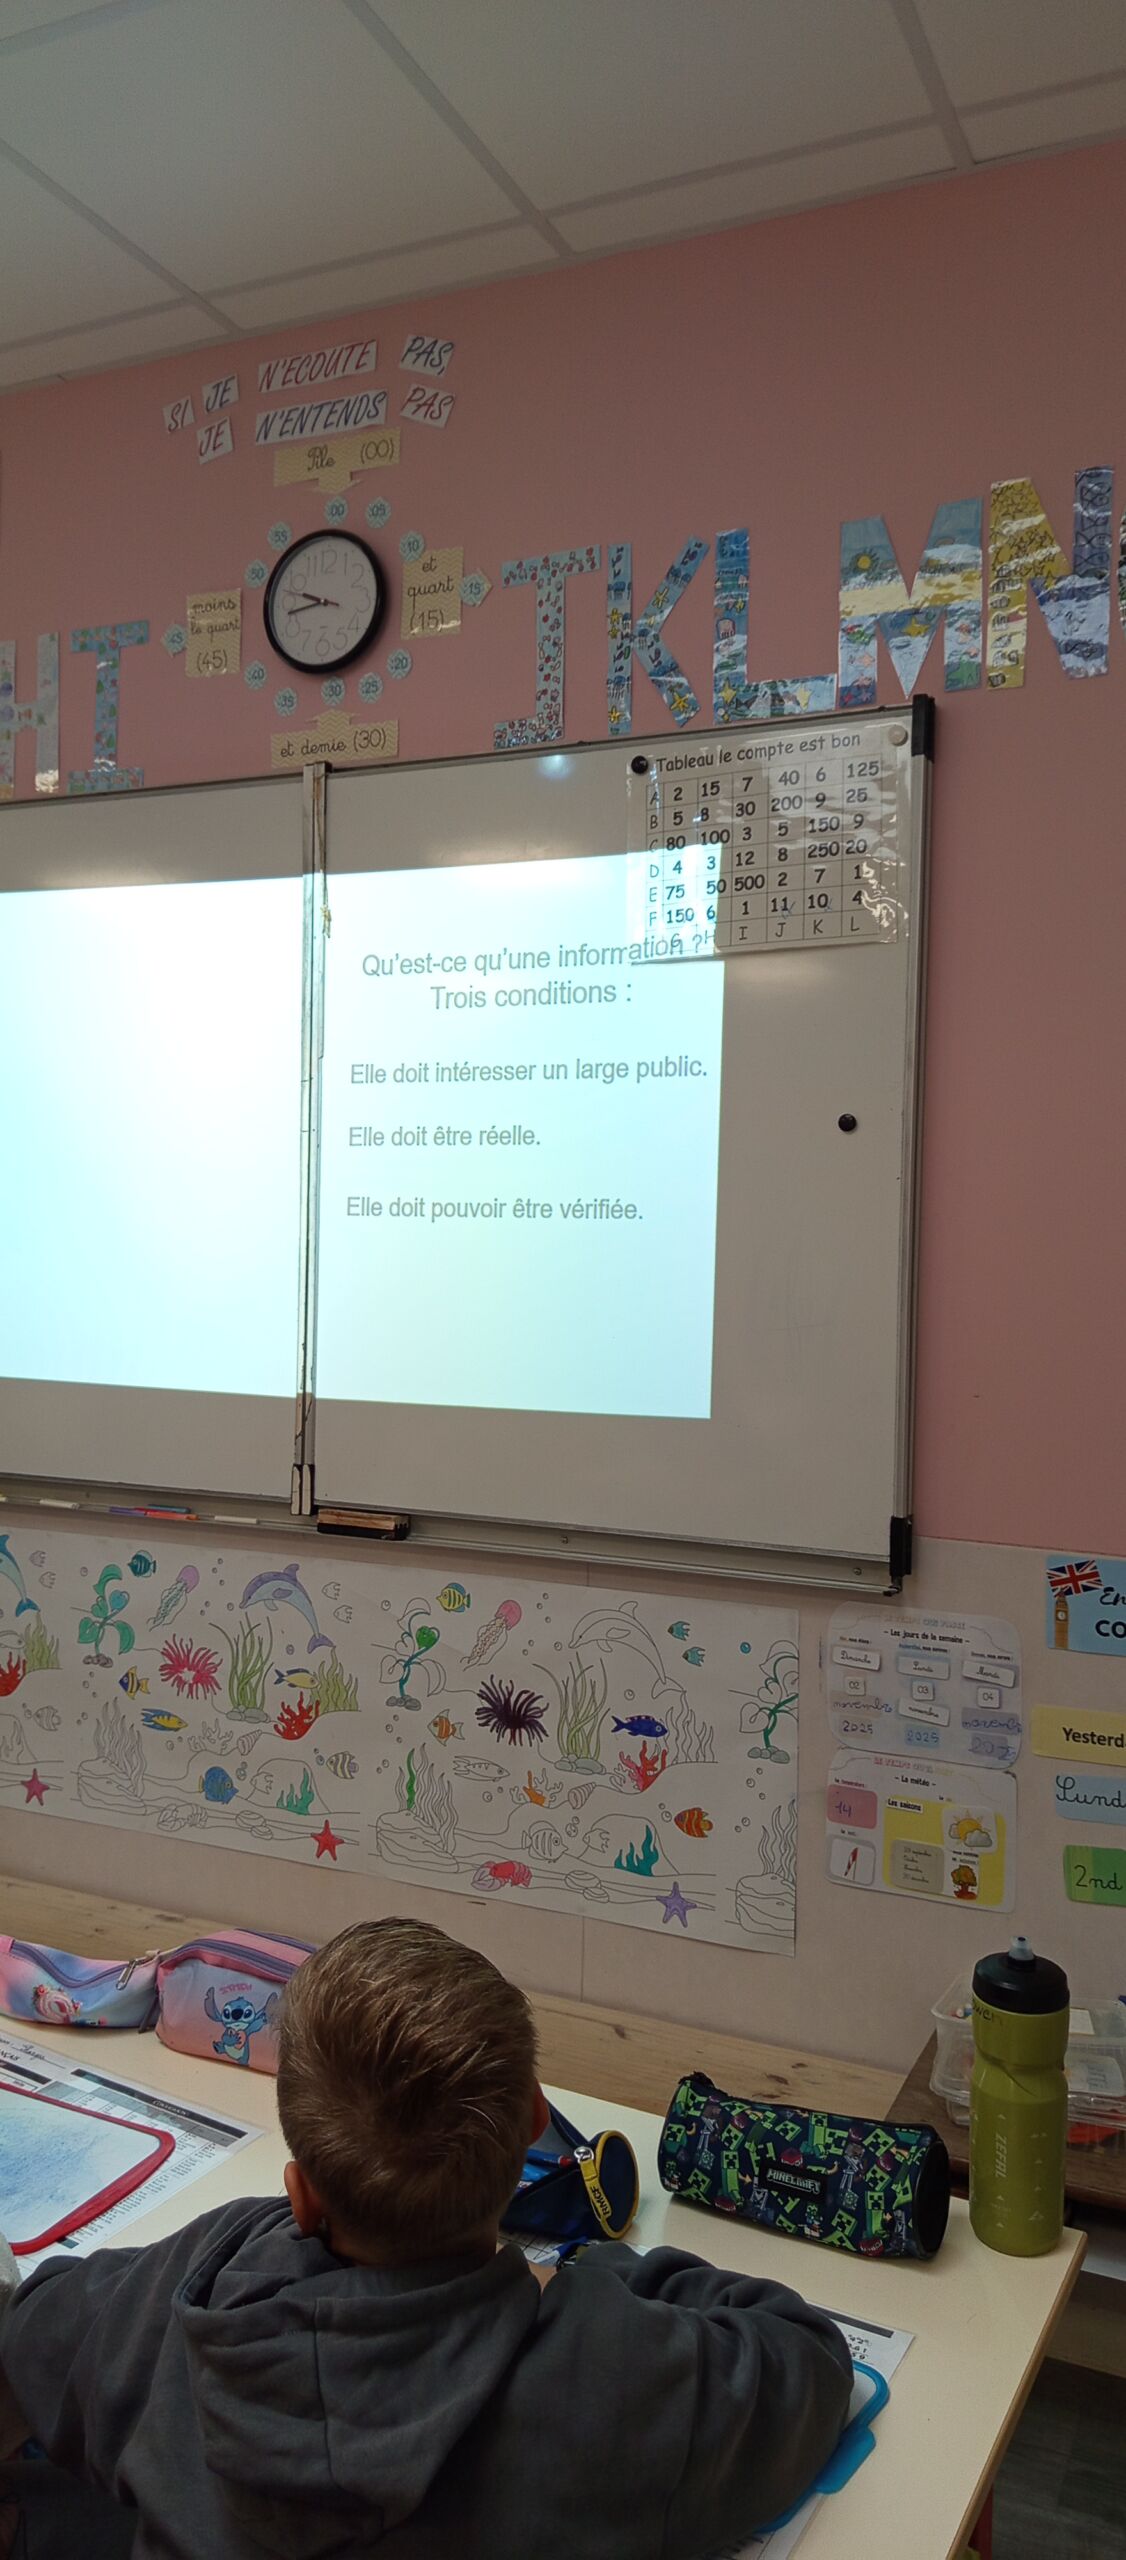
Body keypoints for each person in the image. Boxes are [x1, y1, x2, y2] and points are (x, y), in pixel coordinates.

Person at [0, 1918, 851, 2558]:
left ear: (302, 2196)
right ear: (534, 2125)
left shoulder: (203, 2276)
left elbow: (32, 2329)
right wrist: (596, 2270)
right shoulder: (609, 2371)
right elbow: (807, 2359)